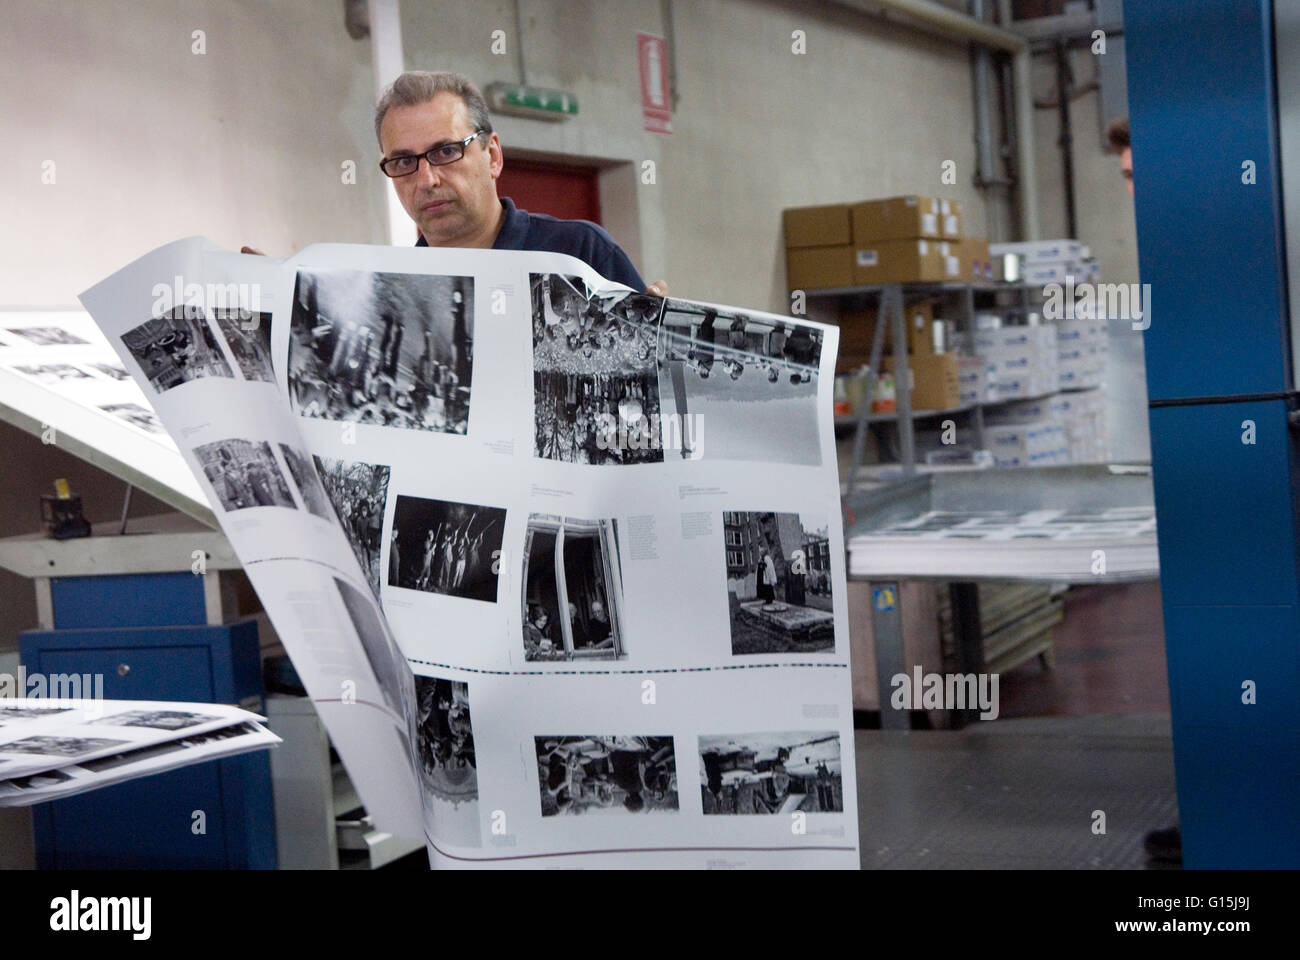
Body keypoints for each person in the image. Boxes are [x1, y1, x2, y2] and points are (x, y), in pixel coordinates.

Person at [372, 71, 667, 296]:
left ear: (493, 155)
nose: (427, 179)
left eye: (446, 151)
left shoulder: (580, 254)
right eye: (404, 162)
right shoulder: (394, 292)